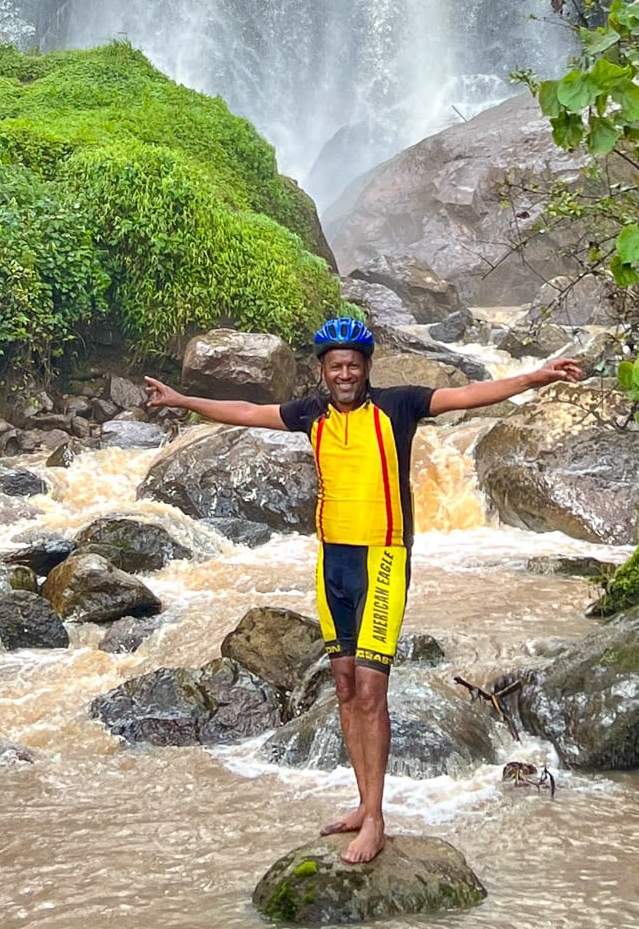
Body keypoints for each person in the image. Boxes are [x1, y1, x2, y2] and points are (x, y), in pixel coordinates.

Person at [144, 316, 584, 863]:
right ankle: (360, 803)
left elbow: (468, 392)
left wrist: (534, 378)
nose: (345, 373)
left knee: (373, 694)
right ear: (323, 371)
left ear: (366, 368)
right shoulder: (310, 413)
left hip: (383, 561)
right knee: (347, 687)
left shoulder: (398, 406)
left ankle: (374, 819)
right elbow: (248, 413)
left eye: (354, 364)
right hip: (333, 564)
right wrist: (183, 399)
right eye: (336, 365)